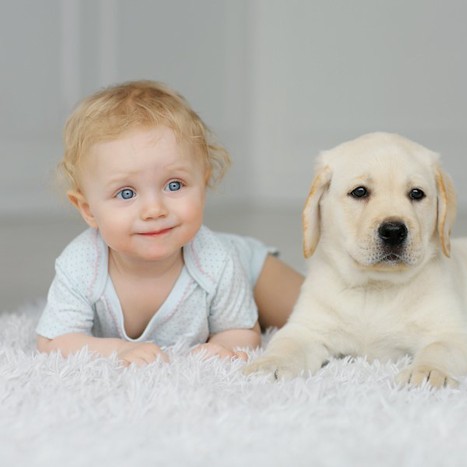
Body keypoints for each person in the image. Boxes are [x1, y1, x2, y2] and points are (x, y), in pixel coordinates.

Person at [36, 80, 304, 366]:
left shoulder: (218, 260)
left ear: (202, 183)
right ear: (88, 209)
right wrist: (118, 350)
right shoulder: (81, 265)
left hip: (252, 272)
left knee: (326, 317)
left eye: (174, 185)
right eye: (126, 193)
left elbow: (240, 331)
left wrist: (223, 344)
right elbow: (54, 340)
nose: (154, 210)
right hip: (225, 289)